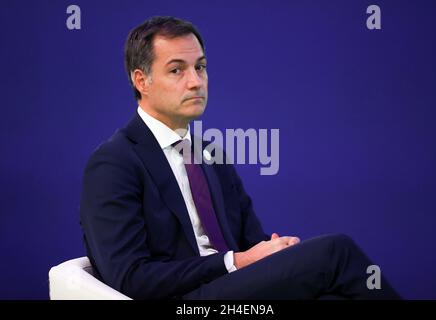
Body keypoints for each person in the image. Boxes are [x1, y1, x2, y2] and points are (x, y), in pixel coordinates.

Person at [80, 16, 400, 300]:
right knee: (336, 253)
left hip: (238, 292)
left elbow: (251, 242)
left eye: (200, 67)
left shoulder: (210, 155)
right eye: (177, 70)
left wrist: (275, 251)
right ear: (141, 81)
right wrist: (235, 262)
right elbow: (131, 279)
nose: (195, 81)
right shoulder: (114, 163)